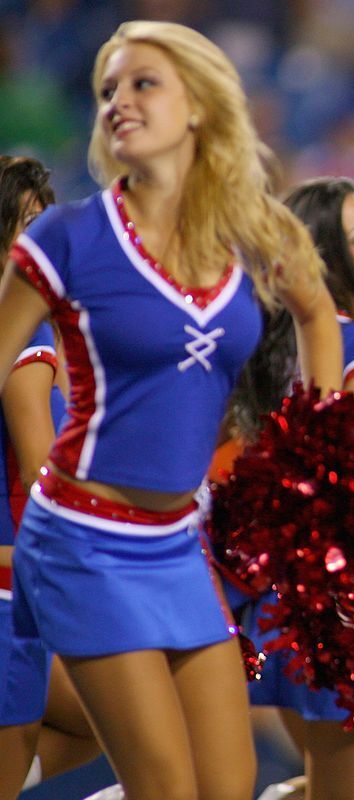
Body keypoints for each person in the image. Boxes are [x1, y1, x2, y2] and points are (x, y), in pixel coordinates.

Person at [0, 21, 341, 800]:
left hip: (177, 544)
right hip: (81, 540)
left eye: (142, 83)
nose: (119, 101)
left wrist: (320, 449)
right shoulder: (68, 236)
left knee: (230, 783)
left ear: (199, 106)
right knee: (164, 786)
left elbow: (318, 314)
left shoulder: (251, 232)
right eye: (107, 90)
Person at [225, 176, 354, 800]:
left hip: (274, 608)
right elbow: (351, 480)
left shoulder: (264, 353)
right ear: (325, 262)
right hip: (349, 611)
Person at [0, 155, 102, 798]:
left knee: (111, 716)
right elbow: (46, 473)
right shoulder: (26, 336)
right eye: (30, 223)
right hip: (10, 592)